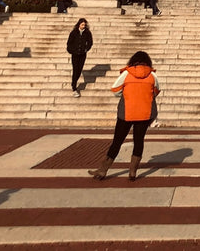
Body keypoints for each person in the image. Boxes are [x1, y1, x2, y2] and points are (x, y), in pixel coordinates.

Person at [89, 51, 161, 182]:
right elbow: (156, 91)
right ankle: (132, 171)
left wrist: (127, 94)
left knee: (117, 141)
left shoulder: (127, 73)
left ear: (133, 61)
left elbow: (115, 89)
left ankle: (102, 170)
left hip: (126, 113)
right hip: (144, 113)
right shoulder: (152, 75)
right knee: (139, 141)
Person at [67, 18, 93, 97]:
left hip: (82, 54)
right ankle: (74, 86)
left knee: (79, 70)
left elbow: (90, 42)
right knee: (75, 69)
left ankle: (73, 82)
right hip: (75, 54)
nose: (83, 26)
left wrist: (86, 49)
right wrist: (71, 50)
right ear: (79, 24)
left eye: (84, 25)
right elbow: (69, 43)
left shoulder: (87, 33)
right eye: (82, 25)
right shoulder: (74, 32)